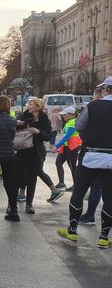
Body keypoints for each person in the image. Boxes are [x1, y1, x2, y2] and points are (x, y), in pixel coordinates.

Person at [57, 77, 112, 248]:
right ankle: (104, 236)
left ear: (107, 89)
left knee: (79, 192)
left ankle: (72, 230)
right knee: (109, 198)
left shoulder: (94, 105)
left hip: (90, 156)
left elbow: (79, 126)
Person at [14, 98, 54, 214]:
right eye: (29, 104)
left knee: (32, 179)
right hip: (22, 151)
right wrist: (18, 124)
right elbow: (14, 128)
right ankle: (13, 204)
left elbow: (48, 136)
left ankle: (29, 204)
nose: (29, 106)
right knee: (19, 176)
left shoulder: (44, 119)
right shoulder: (24, 115)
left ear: (38, 106)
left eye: (31, 104)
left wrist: (38, 132)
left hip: (36, 153)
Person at [79, 87, 105, 225]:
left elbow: (79, 126)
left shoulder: (93, 107)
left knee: (82, 187)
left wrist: (86, 137)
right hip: (108, 154)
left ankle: (80, 220)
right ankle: (93, 216)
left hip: (91, 152)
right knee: (100, 187)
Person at [54, 106, 81, 191]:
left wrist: (57, 146)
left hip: (73, 147)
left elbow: (67, 136)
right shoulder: (68, 121)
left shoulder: (73, 122)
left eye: (65, 115)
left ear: (70, 114)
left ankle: (76, 186)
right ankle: (61, 183)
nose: (63, 116)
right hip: (66, 147)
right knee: (58, 162)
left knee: (72, 166)